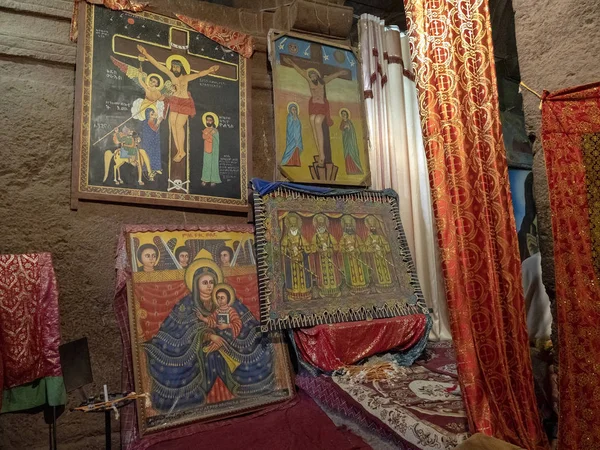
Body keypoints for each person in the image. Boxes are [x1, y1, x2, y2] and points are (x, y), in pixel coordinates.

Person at [143, 260, 275, 413]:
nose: (209, 286)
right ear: (195, 284)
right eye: (204, 282)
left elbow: (244, 323)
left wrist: (224, 336)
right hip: (200, 352)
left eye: (212, 281)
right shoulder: (186, 304)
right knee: (202, 355)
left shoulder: (224, 298)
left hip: (226, 347)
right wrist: (209, 336)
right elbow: (176, 331)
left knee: (253, 345)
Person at [137, 45, 220, 162]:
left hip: (185, 102)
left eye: (177, 67)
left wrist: (210, 70)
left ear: (181, 68)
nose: (175, 69)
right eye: (173, 67)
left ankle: (182, 150)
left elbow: (199, 74)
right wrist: (146, 54)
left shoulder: (186, 78)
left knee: (179, 125)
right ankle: (179, 151)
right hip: (175, 101)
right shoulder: (171, 76)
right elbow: (158, 65)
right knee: (172, 125)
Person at [283, 56, 347, 165]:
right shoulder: (309, 81)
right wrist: (292, 63)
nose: (312, 77)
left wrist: (340, 73)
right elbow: (301, 72)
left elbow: (331, 76)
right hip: (313, 105)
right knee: (312, 120)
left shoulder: (322, 82)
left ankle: (322, 154)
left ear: (317, 76)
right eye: (311, 76)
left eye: (314, 75)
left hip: (322, 105)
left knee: (318, 121)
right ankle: (320, 153)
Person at [280, 213, 312, 300]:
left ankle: (304, 293)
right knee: (292, 277)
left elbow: (307, 247)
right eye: (292, 225)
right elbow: (282, 248)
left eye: (295, 225)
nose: (293, 227)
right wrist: (287, 252)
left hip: (301, 260)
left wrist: (303, 252)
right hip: (291, 261)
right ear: (289, 226)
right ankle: (293, 294)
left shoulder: (301, 237)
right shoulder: (286, 238)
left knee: (303, 277)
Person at [310, 214, 340, 296]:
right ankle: (323, 290)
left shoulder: (329, 236)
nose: (321, 225)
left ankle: (335, 289)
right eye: (319, 224)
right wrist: (318, 249)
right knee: (322, 274)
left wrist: (331, 249)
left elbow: (336, 245)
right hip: (320, 258)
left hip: (330, 257)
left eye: (322, 223)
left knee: (332, 273)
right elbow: (312, 247)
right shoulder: (315, 236)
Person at [339, 215, 369, 293]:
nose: (349, 227)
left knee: (360, 271)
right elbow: (340, 246)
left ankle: (362, 285)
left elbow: (362, 245)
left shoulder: (356, 236)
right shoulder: (344, 238)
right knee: (351, 271)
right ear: (345, 227)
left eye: (350, 225)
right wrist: (346, 249)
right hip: (349, 258)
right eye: (347, 226)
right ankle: (352, 286)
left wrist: (357, 249)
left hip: (357, 256)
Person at [363, 215, 393, 290]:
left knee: (385, 268)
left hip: (382, 255)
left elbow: (387, 246)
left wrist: (381, 248)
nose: (373, 228)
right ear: (369, 229)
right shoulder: (369, 238)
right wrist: (373, 248)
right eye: (371, 227)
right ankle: (379, 283)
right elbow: (365, 248)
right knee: (377, 269)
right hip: (374, 257)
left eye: (374, 227)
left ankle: (387, 281)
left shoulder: (380, 237)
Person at [339, 109, 363, 174]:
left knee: (352, 154)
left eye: (344, 114)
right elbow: (341, 128)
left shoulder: (349, 122)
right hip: (345, 141)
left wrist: (348, 128)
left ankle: (355, 170)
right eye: (342, 114)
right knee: (347, 155)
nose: (343, 115)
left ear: (347, 115)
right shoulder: (342, 122)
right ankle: (349, 170)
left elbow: (352, 132)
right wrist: (344, 128)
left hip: (351, 142)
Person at [141, 107, 163, 177]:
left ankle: (156, 168)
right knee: (150, 155)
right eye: (151, 114)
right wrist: (158, 122)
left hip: (154, 142)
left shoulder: (152, 121)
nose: (154, 115)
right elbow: (154, 129)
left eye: (153, 113)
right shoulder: (149, 121)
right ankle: (150, 169)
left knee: (155, 155)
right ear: (148, 115)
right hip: (149, 143)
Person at [201, 114, 222, 186]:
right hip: (206, 150)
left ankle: (214, 180)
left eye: (210, 120)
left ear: (213, 121)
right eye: (207, 120)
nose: (208, 121)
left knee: (213, 164)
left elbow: (216, 140)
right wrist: (208, 135)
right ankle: (205, 179)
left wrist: (208, 135)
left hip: (214, 150)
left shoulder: (215, 130)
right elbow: (204, 137)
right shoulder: (206, 129)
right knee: (206, 164)